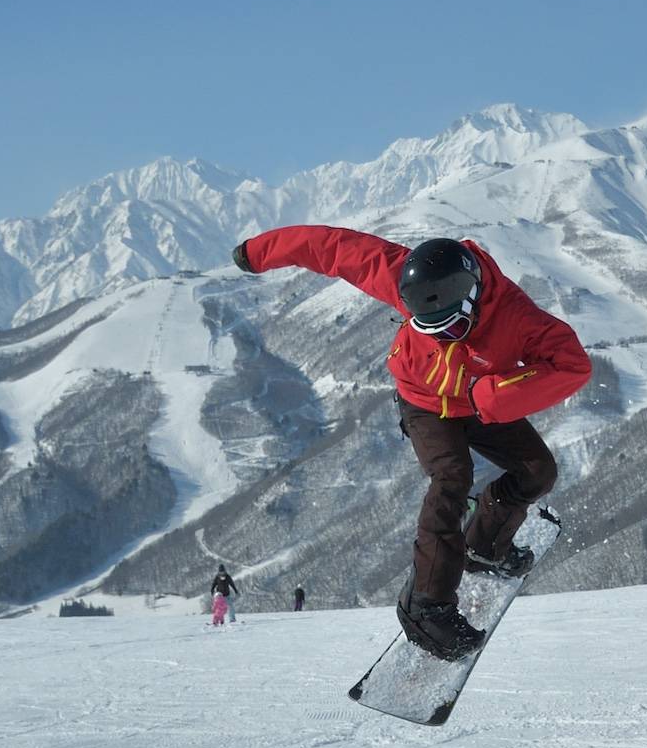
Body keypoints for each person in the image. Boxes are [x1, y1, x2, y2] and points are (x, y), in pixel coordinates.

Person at [234, 227, 592, 658]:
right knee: (451, 479)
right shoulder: (406, 275)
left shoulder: (516, 316)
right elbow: (334, 249)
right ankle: (427, 606)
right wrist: (256, 253)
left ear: (474, 296)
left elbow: (572, 364)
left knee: (537, 471)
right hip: (423, 403)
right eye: (428, 328)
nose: (442, 338)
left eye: (454, 327)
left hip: (479, 401)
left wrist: (495, 396)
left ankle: (484, 547)